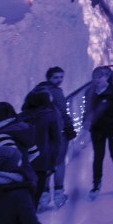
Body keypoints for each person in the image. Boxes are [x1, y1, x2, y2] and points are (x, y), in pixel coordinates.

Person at [31, 67, 75, 209]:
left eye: (61, 77)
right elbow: (63, 112)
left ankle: (43, 196)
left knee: (46, 163)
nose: (59, 80)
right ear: (49, 77)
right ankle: (58, 193)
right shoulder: (56, 92)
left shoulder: (35, 91)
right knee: (59, 162)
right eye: (56, 77)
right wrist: (69, 128)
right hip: (58, 132)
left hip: (42, 133)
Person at [83, 66, 113, 199]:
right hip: (97, 130)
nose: (97, 80)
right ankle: (96, 184)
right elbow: (87, 110)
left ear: (107, 77)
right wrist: (86, 123)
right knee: (98, 156)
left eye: (100, 77)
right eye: (95, 77)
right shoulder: (90, 92)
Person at [18, 91, 60, 208]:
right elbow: (56, 139)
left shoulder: (21, 117)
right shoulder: (50, 115)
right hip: (42, 158)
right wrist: (54, 160)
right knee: (37, 192)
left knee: (27, 192)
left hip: (25, 160)